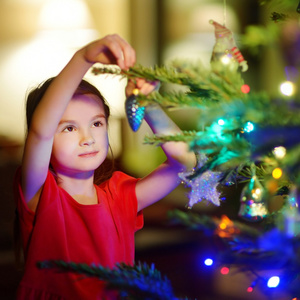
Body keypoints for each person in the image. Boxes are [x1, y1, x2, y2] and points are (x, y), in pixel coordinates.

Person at [14, 34, 196, 300]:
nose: (87, 138)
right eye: (69, 127)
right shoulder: (40, 194)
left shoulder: (120, 197)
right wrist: (83, 58)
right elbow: (41, 131)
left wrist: (148, 104)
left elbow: (184, 161)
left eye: (97, 123)